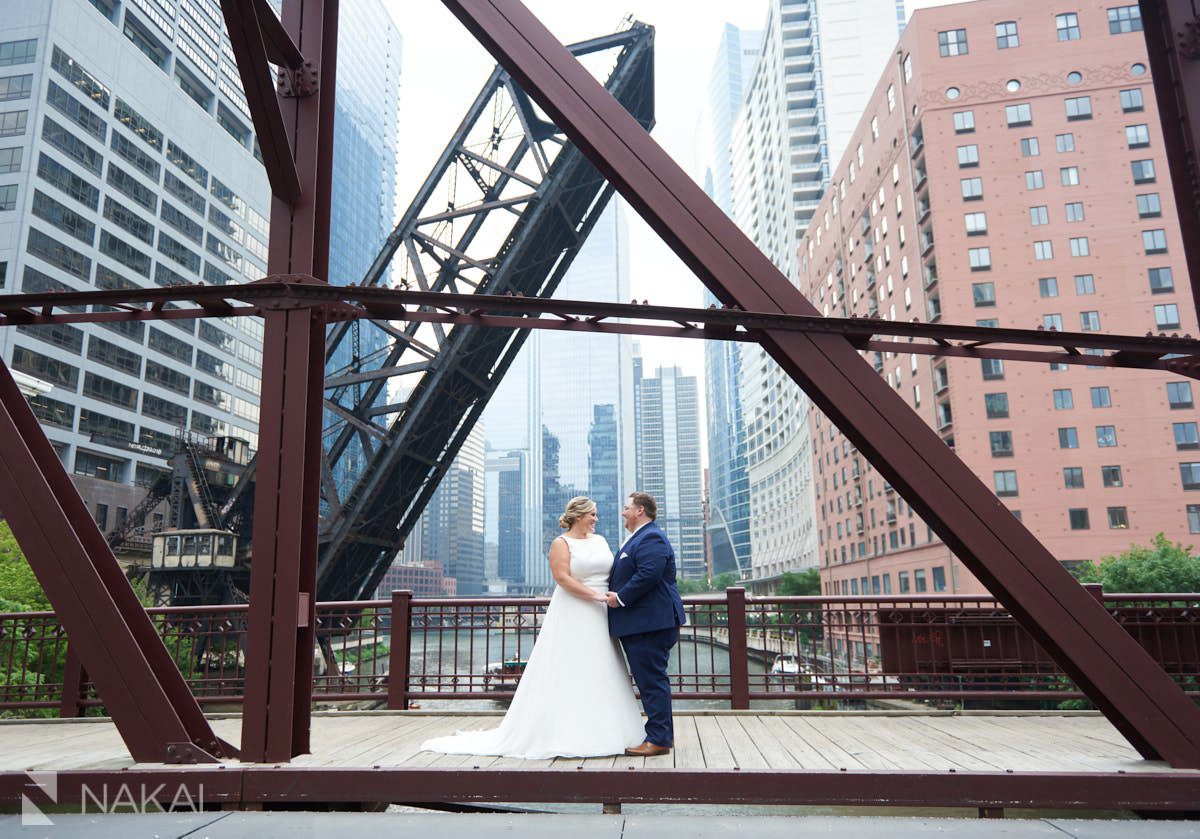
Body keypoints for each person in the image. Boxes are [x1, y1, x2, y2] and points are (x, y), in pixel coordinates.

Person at [421, 496, 644, 759]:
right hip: (576, 609)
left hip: (602, 611)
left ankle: (611, 727)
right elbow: (562, 579)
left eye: (596, 514)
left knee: (603, 666)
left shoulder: (601, 541)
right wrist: (595, 596)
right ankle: (569, 731)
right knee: (570, 667)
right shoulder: (561, 544)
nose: (596, 519)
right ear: (578, 515)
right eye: (592, 514)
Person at [604, 492, 687, 757]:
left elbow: (649, 573)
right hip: (643, 622)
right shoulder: (638, 538)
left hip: (649, 623)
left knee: (651, 681)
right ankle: (660, 735)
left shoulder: (650, 536)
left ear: (640, 511)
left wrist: (621, 597)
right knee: (650, 679)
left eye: (626, 507)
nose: (623, 512)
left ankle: (659, 739)